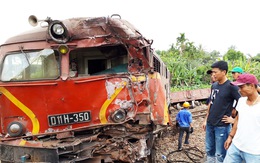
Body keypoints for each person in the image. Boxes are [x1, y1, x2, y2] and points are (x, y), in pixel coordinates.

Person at [202, 61, 241, 163]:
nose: (213, 74)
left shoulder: (232, 87)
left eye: (215, 72)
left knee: (220, 154)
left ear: (224, 72)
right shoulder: (214, 86)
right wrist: (206, 119)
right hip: (210, 124)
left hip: (222, 126)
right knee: (209, 150)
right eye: (212, 72)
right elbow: (211, 102)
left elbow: (244, 104)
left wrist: (234, 120)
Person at [223, 73, 260, 163]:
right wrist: (230, 136)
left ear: (251, 86)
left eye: (241, 87)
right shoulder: (241, 101)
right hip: (236, 146)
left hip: (254, 152)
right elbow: (238, 120)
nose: (239, 90)